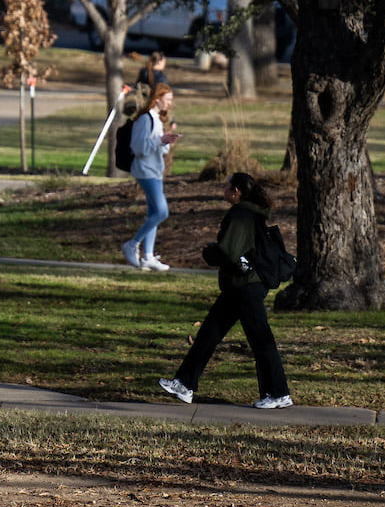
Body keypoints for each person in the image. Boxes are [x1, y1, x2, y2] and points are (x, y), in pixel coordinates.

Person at [157, 173, 293, 410]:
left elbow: (229, 251)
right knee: (209, 334)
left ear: (236, 191)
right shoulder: (252, 212)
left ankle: (278, 393)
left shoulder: (240, 214)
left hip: (246, 286)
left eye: (226, 185)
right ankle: (184, 384)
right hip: (240, 286)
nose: (223, 188)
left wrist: (209, 253)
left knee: (261, 339)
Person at [123, 83, 180, 272]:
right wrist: (160, 140)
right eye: (168, 99)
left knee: (153, 214)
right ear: (157, 99)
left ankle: (148, 256)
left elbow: (158, 148)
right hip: (145, 171)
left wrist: (166, 141)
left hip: (155, 170)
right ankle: (132, 243)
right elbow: (138, 148)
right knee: (162, 212)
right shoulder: (145, 119)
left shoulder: (156, 119)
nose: (170, 103)